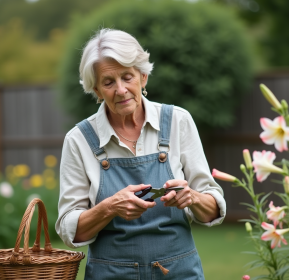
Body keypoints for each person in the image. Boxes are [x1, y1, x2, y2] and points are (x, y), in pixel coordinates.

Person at [56, 28, 226, 280]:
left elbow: (213, 208)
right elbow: (69, 230)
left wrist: (192, 198)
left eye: (127, 77)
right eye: (108, 82)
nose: (121, 90)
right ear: (96, 90)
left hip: (179, 273)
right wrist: (110, 207)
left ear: (143, 77)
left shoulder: (178, 121)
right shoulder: (78, 140)